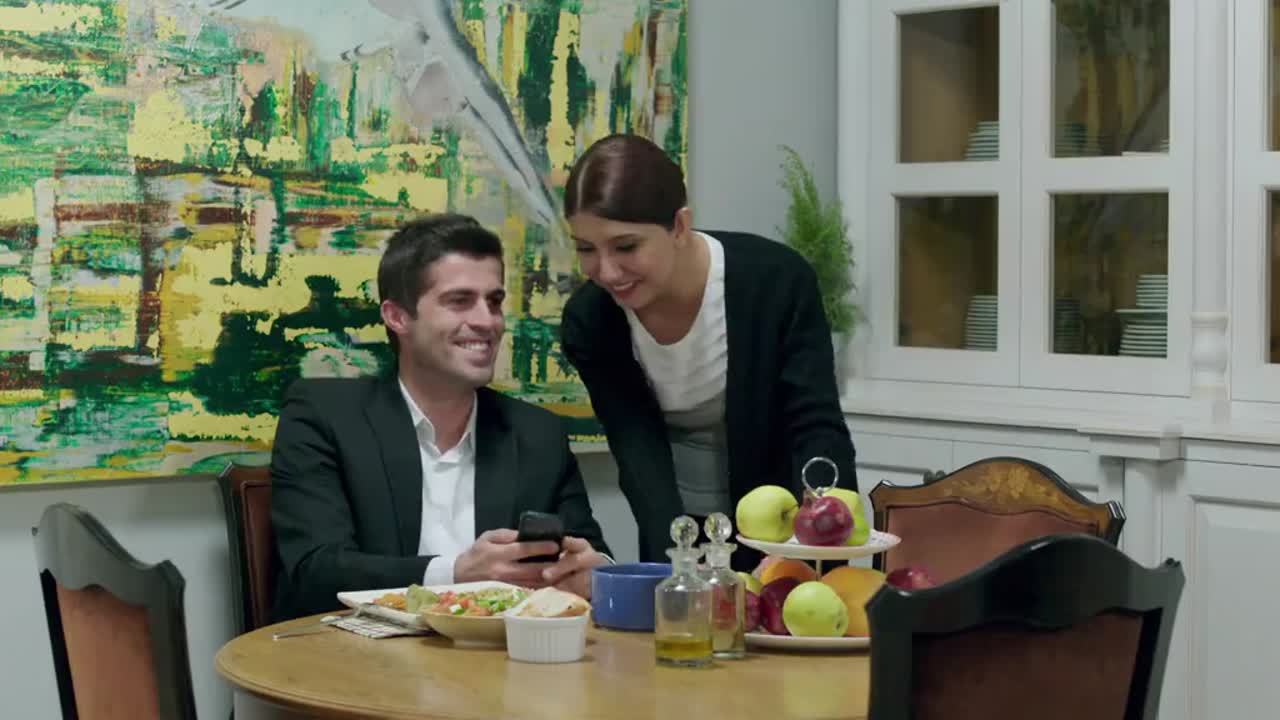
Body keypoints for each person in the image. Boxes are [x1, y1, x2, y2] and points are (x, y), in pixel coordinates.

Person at [270, 214, 611, 621]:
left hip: (502, 656)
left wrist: (594, 574)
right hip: (354, 655)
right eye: (459, 301)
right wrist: (457, 574)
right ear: (398, 317)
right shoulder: (324, 416)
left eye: (494, 302)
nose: (487, 321)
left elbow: (591, 554)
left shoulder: (538, 433)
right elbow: (316, 572)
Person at [559, 135, 857, 567]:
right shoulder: (590, 320)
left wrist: (813, 547)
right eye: (586, 248)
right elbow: (638, 453)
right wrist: (674, 568)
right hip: (676, 529)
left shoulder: (777, 281)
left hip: (784, 524)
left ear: (679, 226)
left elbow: (815, 428)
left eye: (626, 246)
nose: (605, 271)